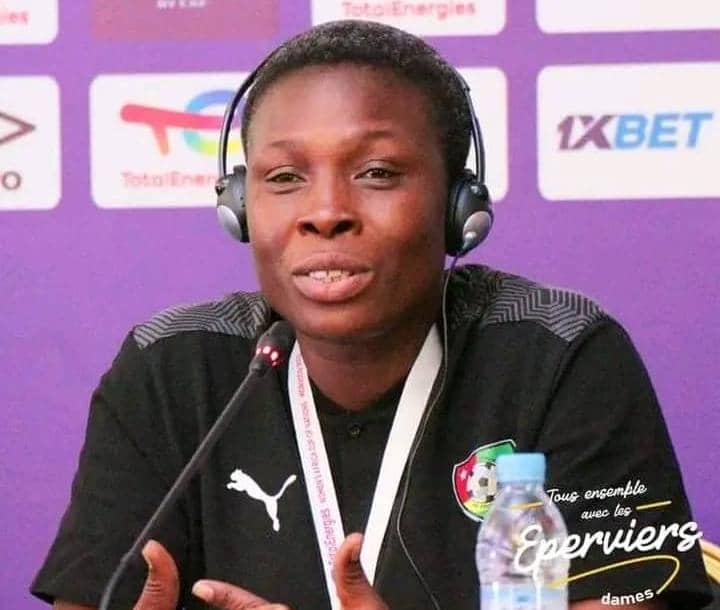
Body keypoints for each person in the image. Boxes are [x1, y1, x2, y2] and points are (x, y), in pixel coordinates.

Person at [31, 20, 712, 610]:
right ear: (239, 207)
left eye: (378, 172)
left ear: (459, 207)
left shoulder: (561, 356)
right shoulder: (170, 368)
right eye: (284, 178)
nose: (326, 212)